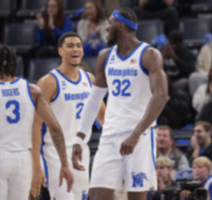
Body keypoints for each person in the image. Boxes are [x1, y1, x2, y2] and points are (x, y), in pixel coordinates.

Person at [72, 8, 168, 200]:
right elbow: (93, 100)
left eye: (110, 23)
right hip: (110, 135)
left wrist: (135, 134)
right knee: (97, 194)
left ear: (121, 26)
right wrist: (79, 137)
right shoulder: (105, 56)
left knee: (135, 197)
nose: (106, 28)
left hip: (138, 137)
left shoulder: (149, 54)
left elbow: (161, 96)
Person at [31, 32, 105, 200]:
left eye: (78, 45)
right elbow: (35, 125)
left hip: (81, 151)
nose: (75, 49)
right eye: (70, 46)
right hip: (55, 152)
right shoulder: (49, 82)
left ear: (83, 51)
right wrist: (36, 163)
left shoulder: (90, 79)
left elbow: (103, 116)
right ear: (60, 51)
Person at [0, 44, 74, 199]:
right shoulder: (32, 90)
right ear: (14, 64)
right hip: (24, 159)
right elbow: (55, 128)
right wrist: (64, 163)